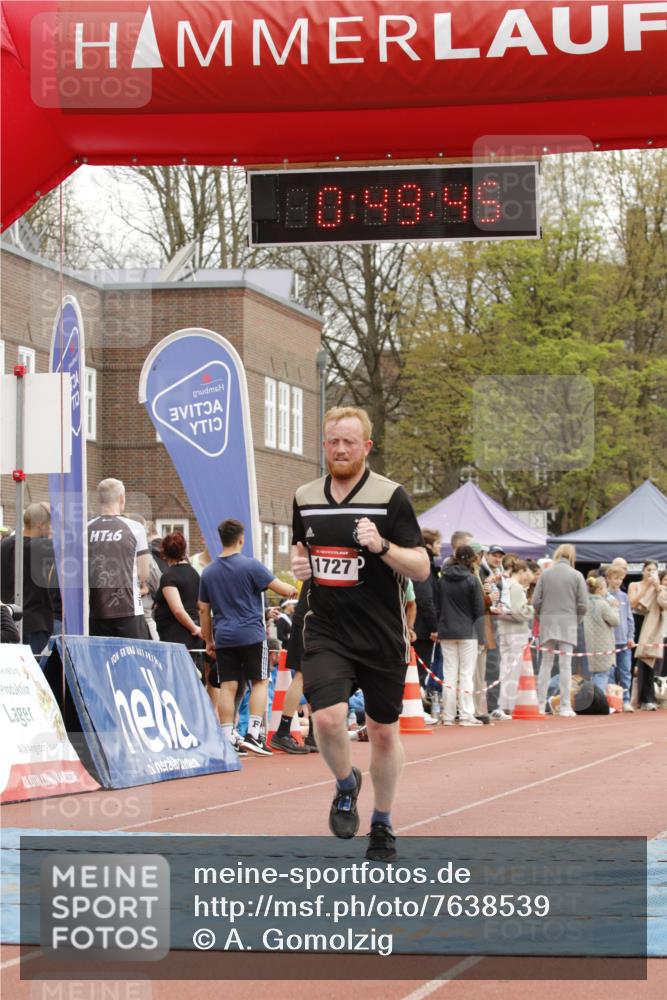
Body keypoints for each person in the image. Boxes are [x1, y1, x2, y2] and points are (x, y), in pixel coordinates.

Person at [291, 406, 428, 862]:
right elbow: (302, 549)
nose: (341, 449)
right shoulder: (305, 496)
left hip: (382, 634)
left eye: (350, 441)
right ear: (324, 444)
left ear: (367, 446)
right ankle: (347, 783)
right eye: (334, 441)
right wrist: (300, 566)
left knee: (383, 733)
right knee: (327, 719)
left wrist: (383, 546)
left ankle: (383, 821)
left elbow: (423, 567)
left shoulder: (391, 497)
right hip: (326, 629)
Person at [199, 518, 298, 755]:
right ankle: (253, 733)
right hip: (251, 634)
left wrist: (208, 639)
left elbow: (203, 608)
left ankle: (226, 736)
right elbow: (282, 589)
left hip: (224, 636)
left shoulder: (208, 572)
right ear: (241, 539)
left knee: (228, 685)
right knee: (260, 681)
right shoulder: (251, 566)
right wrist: (295, 588)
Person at [87, 479, 151, 639]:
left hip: (95, 611)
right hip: (129, 609)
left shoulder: (86, 528)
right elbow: (144, 574)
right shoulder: (135, 528)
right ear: (122, 498)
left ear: (99, 499)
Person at [533, 544, 588, 718]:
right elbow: (583, 605)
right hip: (568, 623)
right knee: (566, 666)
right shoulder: (577, 575)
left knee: (545, 664)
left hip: (548, 622)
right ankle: (565, 705)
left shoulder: (546, 573)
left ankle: (540, 704)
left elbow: (536, 601)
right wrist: (575, 620)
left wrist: (543, 617)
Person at [437, 544, 486, 727]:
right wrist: (481, 638)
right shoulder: (472, 580)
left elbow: (437, 605)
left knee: (449, 674)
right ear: (473, 559)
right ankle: (466, 715)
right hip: (468, 631)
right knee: (466, 674)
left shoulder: (442, 579)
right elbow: (478, 610)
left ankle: (448, 715)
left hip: (447, 630)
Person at [0, 502, 58, 654]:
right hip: (36, 624)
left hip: (8, 621)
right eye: (50, 525)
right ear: (40, 525)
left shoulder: (4, 545)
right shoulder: (43, 547)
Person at [494, 557, 534, 719]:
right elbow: (518, 612)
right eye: (527, 572)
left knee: (506, 667)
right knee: (512, 670)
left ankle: (504, 704)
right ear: (522, 571)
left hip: (504, 630)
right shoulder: (516, 587)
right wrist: (532, 609)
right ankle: (506, 706)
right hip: (516, 632)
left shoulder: (505, 584)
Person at [153, 531, 202, 649]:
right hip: (192, 633)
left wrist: (195, 629)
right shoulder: (194, 573)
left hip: (177, 636)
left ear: (164, 552)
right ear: (184, 550)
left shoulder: (169, 577)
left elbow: (178, 610)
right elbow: (200, 605)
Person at [634, 567, 667, 710]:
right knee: (649, 668)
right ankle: (647, 698)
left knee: (661, 670)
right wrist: (657, 587)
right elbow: (642, 606)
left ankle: (658, 698)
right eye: (665, 579)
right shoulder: (657, 591)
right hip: (657, 635)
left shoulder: (660, 591)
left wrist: (659, 588)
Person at [582, 575, 619, 695]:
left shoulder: (586, 603)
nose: (606, 592)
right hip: (603, 644)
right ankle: (598, 701)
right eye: (605, 589)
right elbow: (615, 621)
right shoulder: (603, 604)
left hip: (590, 643)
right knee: (602, 673)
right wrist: (614, 608)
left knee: (595, 673)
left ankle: (593, 699)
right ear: (599, 590)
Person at [606, 565, 635, 711]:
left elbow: (630, 619)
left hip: (624, 641)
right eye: (615, 578)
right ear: (608, 578)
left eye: (620, 578)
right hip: (609, 641)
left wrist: (631, 636)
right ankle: (613, 701)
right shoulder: (604, 596)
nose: (618, 581)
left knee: (625, 671)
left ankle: (626, 699)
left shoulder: (624, 597)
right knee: (610, 672)